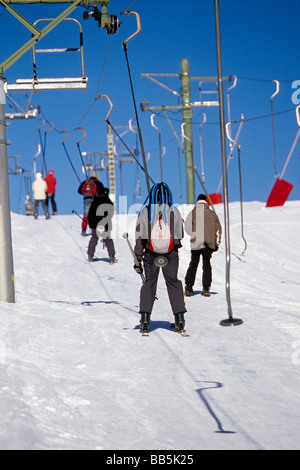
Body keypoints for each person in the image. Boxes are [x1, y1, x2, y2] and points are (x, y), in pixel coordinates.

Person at [134, 182, 186, 333]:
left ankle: (145, 318)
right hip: (170, 254)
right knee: (173, 282)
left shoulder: (146, 211)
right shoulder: (173, 210)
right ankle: (180, 319)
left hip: (151, 253)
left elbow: (140, 237)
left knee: (149, 284)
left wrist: (138, 259)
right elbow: (180, 234)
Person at [184, 194, 222, 297]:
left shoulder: (193, 212)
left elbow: (187, 228)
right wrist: (216, 244)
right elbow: (218, 230)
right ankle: (206, 288)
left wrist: (194, 233)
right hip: (208, 244)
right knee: (206, 264)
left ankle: (188, 286)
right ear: (206, 201)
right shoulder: (212, 213)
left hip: (196, 242)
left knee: (193, 263)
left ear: (197, 201)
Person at [87, 184, 117, 264]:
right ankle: (112, 256)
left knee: (94, 239)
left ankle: (90, 255)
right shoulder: (108, 201)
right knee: (108, 239)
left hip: (95, 225)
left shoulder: (94, 201)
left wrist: (90, 223)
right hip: (105, 224)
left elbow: (90, 214)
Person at [77, 172, 103, 236]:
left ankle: (84, 229)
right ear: (96, 177)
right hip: (94, 200)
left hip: (86, 199)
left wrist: (84, 194)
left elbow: (79, 190)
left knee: (86, 215)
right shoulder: (98, 183)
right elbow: (102, 192)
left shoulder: (85, 182)